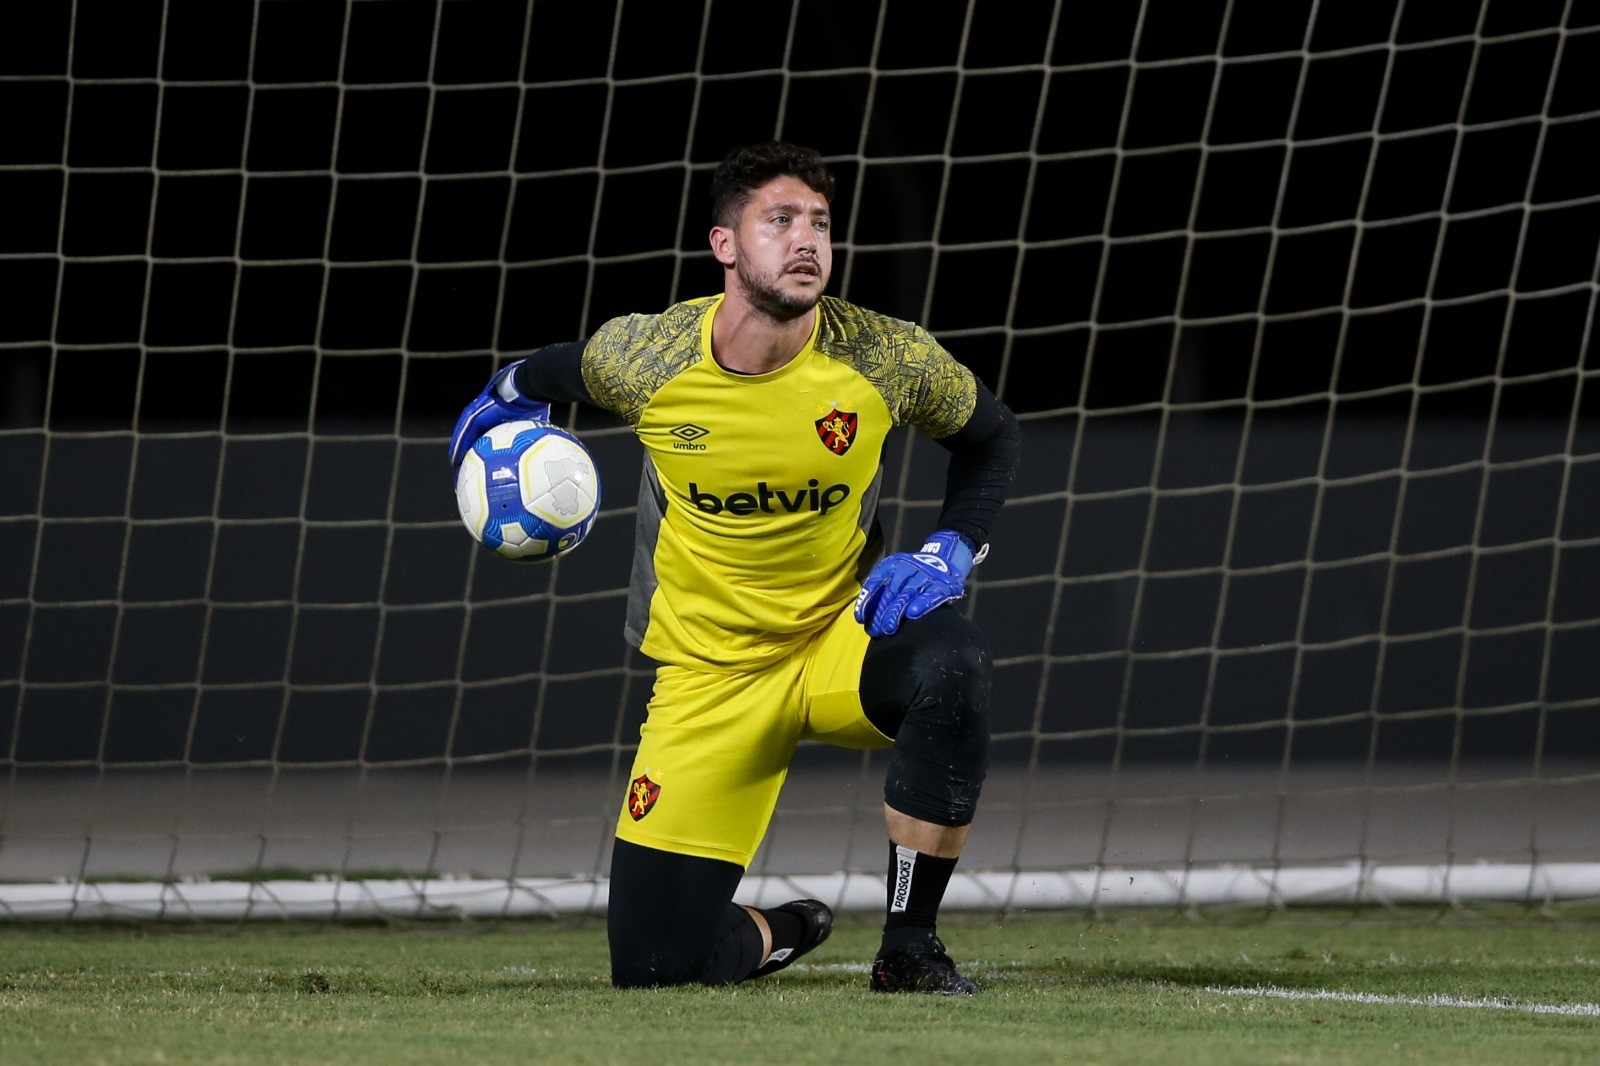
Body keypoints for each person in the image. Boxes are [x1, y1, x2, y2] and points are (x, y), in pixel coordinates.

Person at [449, 141, 1021, 995]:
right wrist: (498, 402)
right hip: (708, 676)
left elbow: (992, 437)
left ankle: (910, 948)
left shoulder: (884, 356)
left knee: (955, 666)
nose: (807, 242)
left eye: (821, 224)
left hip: (840, 638)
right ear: (725, 245)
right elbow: (546, 372)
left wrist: (950, 549)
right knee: (654, 970)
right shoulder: (647, 358)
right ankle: (784, 928)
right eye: (780, 220)